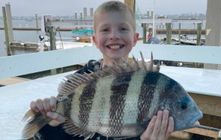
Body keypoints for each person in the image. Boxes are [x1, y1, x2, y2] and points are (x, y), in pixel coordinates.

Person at [30, 1, 174, 140]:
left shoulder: (147, 80)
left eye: (123, 28)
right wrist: (51, 124)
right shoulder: (82, 80)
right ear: (95, 39)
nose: (114, 36)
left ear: (135, 38)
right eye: (105, 30)